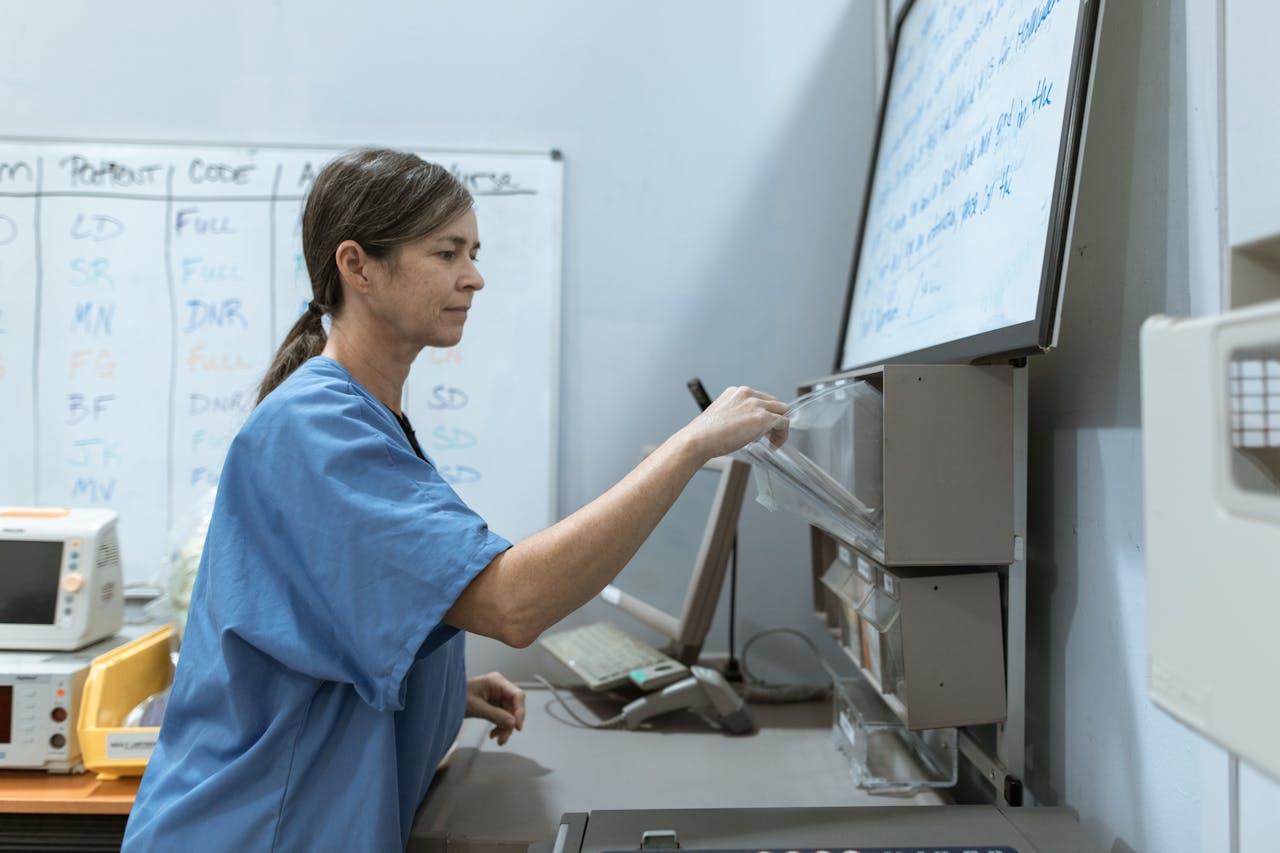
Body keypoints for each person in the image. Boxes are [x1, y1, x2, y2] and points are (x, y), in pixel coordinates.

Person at [122, 148, 788, 851]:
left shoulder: (364, 418)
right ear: (359, 266)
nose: (473, 276)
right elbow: (512, 602)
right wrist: (691, 447)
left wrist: (440, 692)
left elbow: (338, 624)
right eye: (447, 252)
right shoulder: (316, 430)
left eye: (472, 252)